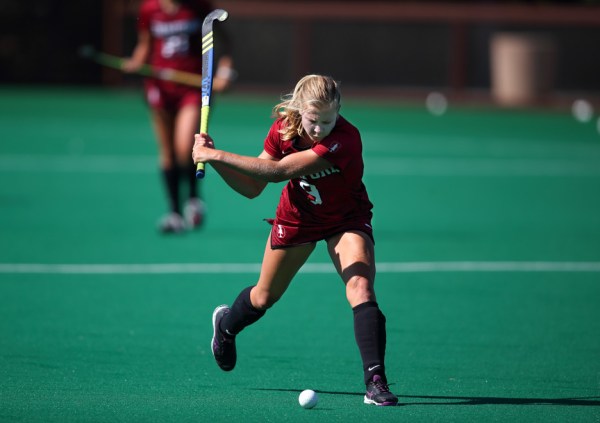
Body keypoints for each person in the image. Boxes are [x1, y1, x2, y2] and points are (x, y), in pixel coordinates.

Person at [192, 74, 398, 406]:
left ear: (338, 111)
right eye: (314, 121)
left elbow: (279, 172)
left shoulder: (345, 139)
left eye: (328, 121)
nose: (320, 129)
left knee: (360, 286)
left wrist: (216, 156)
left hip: (346, 219)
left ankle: (375, 382)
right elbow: (252, 187)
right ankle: (226, 326)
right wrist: (213, 159)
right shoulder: (284, 130)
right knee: (263, 297)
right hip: (298, 218)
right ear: (301, 111)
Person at [123, 0, 234, 233]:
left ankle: (193, 198)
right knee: (167, 153)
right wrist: (135, 61)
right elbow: (145, 45)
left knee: (185, 147)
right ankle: (173, 212)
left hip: (192, 87)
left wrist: (224, 72)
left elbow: (226, 43)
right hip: (159, 87)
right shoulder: (149, 9)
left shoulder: (199, 6)